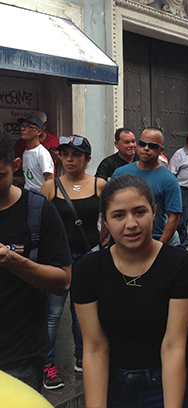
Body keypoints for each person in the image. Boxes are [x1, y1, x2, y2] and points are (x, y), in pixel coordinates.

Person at [72, 174, 188, 408]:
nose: (131, 224)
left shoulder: (181, 265)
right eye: (119, 215)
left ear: (154, 211)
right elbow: (94, 347)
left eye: (139, 212)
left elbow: (173, 345)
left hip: (166, 380)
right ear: (105, 220)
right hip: (114, 384)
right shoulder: (87, 270)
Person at [0, 129, 71, 392]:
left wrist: (12, 260)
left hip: (19, 356)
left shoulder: (39, 210)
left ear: (15, 165)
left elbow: (62, 281)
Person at [39, 135, 106, 389]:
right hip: (57, 260)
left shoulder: (100, 184)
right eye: (65, 154)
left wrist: (102, 242)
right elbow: (41, 222)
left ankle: (82, 357)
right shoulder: (51, 187)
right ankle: (47, 365)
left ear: (87, 159)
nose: (69, 159)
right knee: (52, 315)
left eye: (76, 155)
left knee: (83, 313)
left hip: (88, 257)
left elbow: (110, 215)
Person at [112, 127, 182, 245]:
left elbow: (174, 217)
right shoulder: (120, 173)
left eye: (152, 146)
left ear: (161, 150)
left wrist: (160, 245)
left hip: (153, 240)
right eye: (142, 144)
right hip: (123, 240)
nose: (146, 148)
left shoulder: (169, 180)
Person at [14, 111, 59, 184]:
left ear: (39, 132)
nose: (23, 129)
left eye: (29, 127)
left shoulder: (42, 154)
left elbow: (50, 181)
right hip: (28, 192)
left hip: (40, 193)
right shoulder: (26, 152)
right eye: (23, 126)